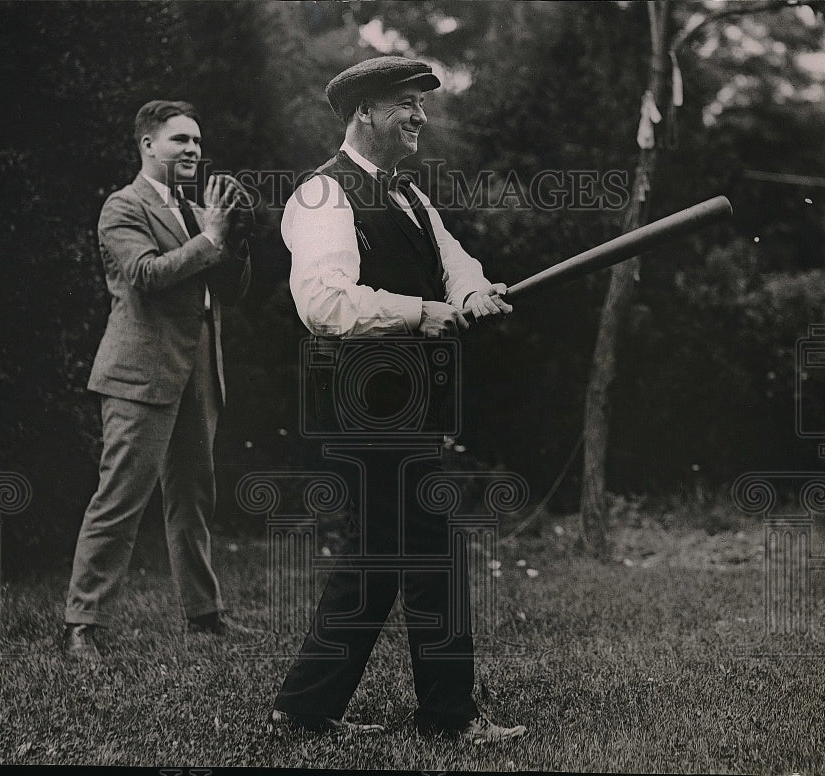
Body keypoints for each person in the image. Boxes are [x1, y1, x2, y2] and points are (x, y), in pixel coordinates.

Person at [269, 56, 526, 744]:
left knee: (382, 554)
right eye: (406, 104)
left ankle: (305, 708)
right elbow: (322, 303)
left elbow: (454, 258)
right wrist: (419, 313)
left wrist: (471, 291)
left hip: (412, 402)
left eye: (422, 104)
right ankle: (448, 717)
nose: (420, 117)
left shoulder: (410, 197)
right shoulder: (323, 196)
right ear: (365, 114)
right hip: (364, 402)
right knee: (426, 549)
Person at [63, 100, 252, 660]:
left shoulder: (199, 211)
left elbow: (231, 293)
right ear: (148, 145)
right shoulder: (122, 206)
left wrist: (235, 240)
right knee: (120, 499)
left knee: (194, 498)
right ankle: (83, 625)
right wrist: (211, 238)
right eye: (179, 140)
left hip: (198, 374)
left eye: (196, 140)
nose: (192, 149)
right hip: (139, 375)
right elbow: (145, 276)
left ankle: (204, 615)